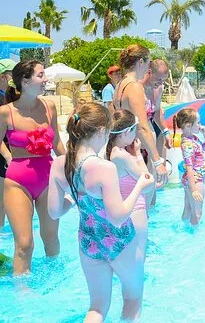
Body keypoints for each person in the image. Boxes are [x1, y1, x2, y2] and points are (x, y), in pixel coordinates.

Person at [48, 103, 153, 321]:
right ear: (102, 131)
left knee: (96, 308)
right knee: (133, 299)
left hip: (88, 243)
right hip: (119, 242)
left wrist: (75, 196)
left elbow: (54, 212)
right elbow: (118, 217)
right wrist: (139, 186)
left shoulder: (58, 164)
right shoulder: (104, 167)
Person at [0, 60, 65, 275]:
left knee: (51, 239)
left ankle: (55, 282)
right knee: (25, 244)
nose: (45, 79)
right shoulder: (5, 112)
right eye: (40, 75)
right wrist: (8, 156)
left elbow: (57, 142)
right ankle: (22, 290)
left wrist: (72, 167)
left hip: (48, 179)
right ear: (25, 81)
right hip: (18, 182)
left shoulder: (49, 107)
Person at [112, 44, 169, 186]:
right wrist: (157, 162)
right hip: (139, 152)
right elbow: (142, 128)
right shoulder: (134, 87)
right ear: (141, 62)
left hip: (126, 148)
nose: (149, 66)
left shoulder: (120, 85)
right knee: (146, 196)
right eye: (149, 62)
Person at [107, 109, 154, 261]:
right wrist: (138, 154)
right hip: (135, 212)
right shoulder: (122, 156)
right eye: (135, 129)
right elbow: (147, 181)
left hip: (124, 211)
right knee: (139, 259)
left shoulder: (111, 152)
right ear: (127, 132)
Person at [174, 108, 205, 225]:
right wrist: (194, 190)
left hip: (191, 180)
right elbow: (189, 168)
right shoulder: (188, 145)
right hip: (195, 179)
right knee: (197, 214)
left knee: (188, 209)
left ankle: (183, 229)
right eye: (198, 123)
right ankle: (194, 233)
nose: (200, 125)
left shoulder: (193, 138)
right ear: (188, 125)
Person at [141, 59, 173, 160]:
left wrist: (166, 132)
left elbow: (157, 112)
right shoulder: (137, 87)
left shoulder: (159, 88)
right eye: (159, 79)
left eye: (164, 80)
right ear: (149, 72)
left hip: (150, 131)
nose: (161, 83)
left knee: (160, 156)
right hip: (136, 135)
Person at [0, 58, 17, 228]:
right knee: (2, 199)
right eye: (13, 74)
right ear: (3, 76)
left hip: (7, 152)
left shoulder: (8, 94)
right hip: (3, 155)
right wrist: (8, 156)